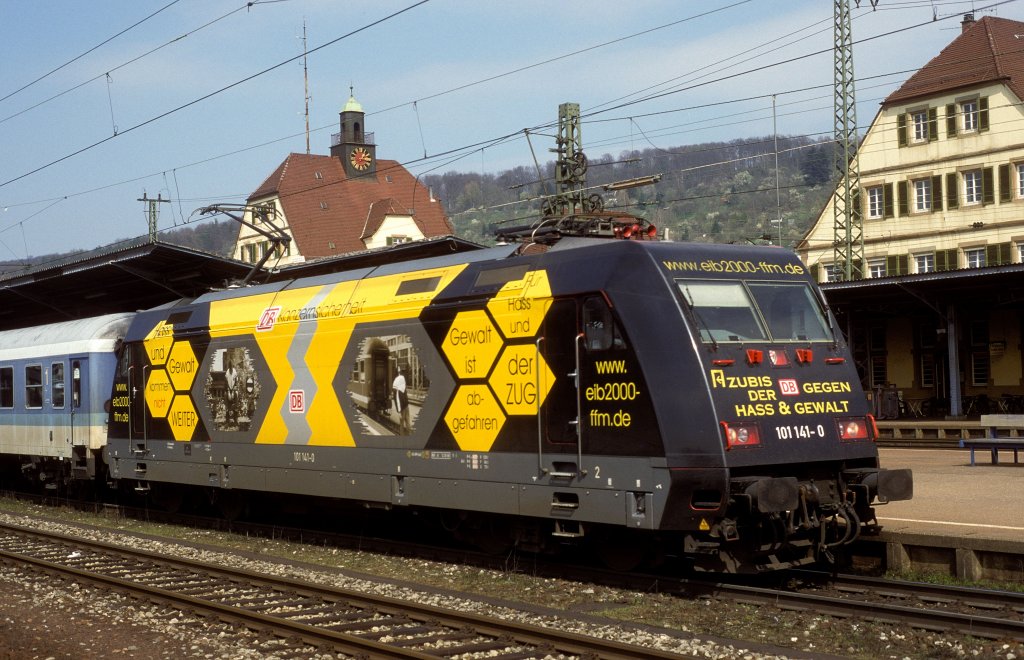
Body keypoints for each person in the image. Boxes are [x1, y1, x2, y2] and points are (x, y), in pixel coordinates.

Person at [392, 368, 410, 435]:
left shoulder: (396, 389)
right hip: (406, 406)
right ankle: (409, 435)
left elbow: (397, 400)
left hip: (402, 408)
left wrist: (399, 411)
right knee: (408, 421)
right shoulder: (402, 381)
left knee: (401, 424)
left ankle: (402, 436)